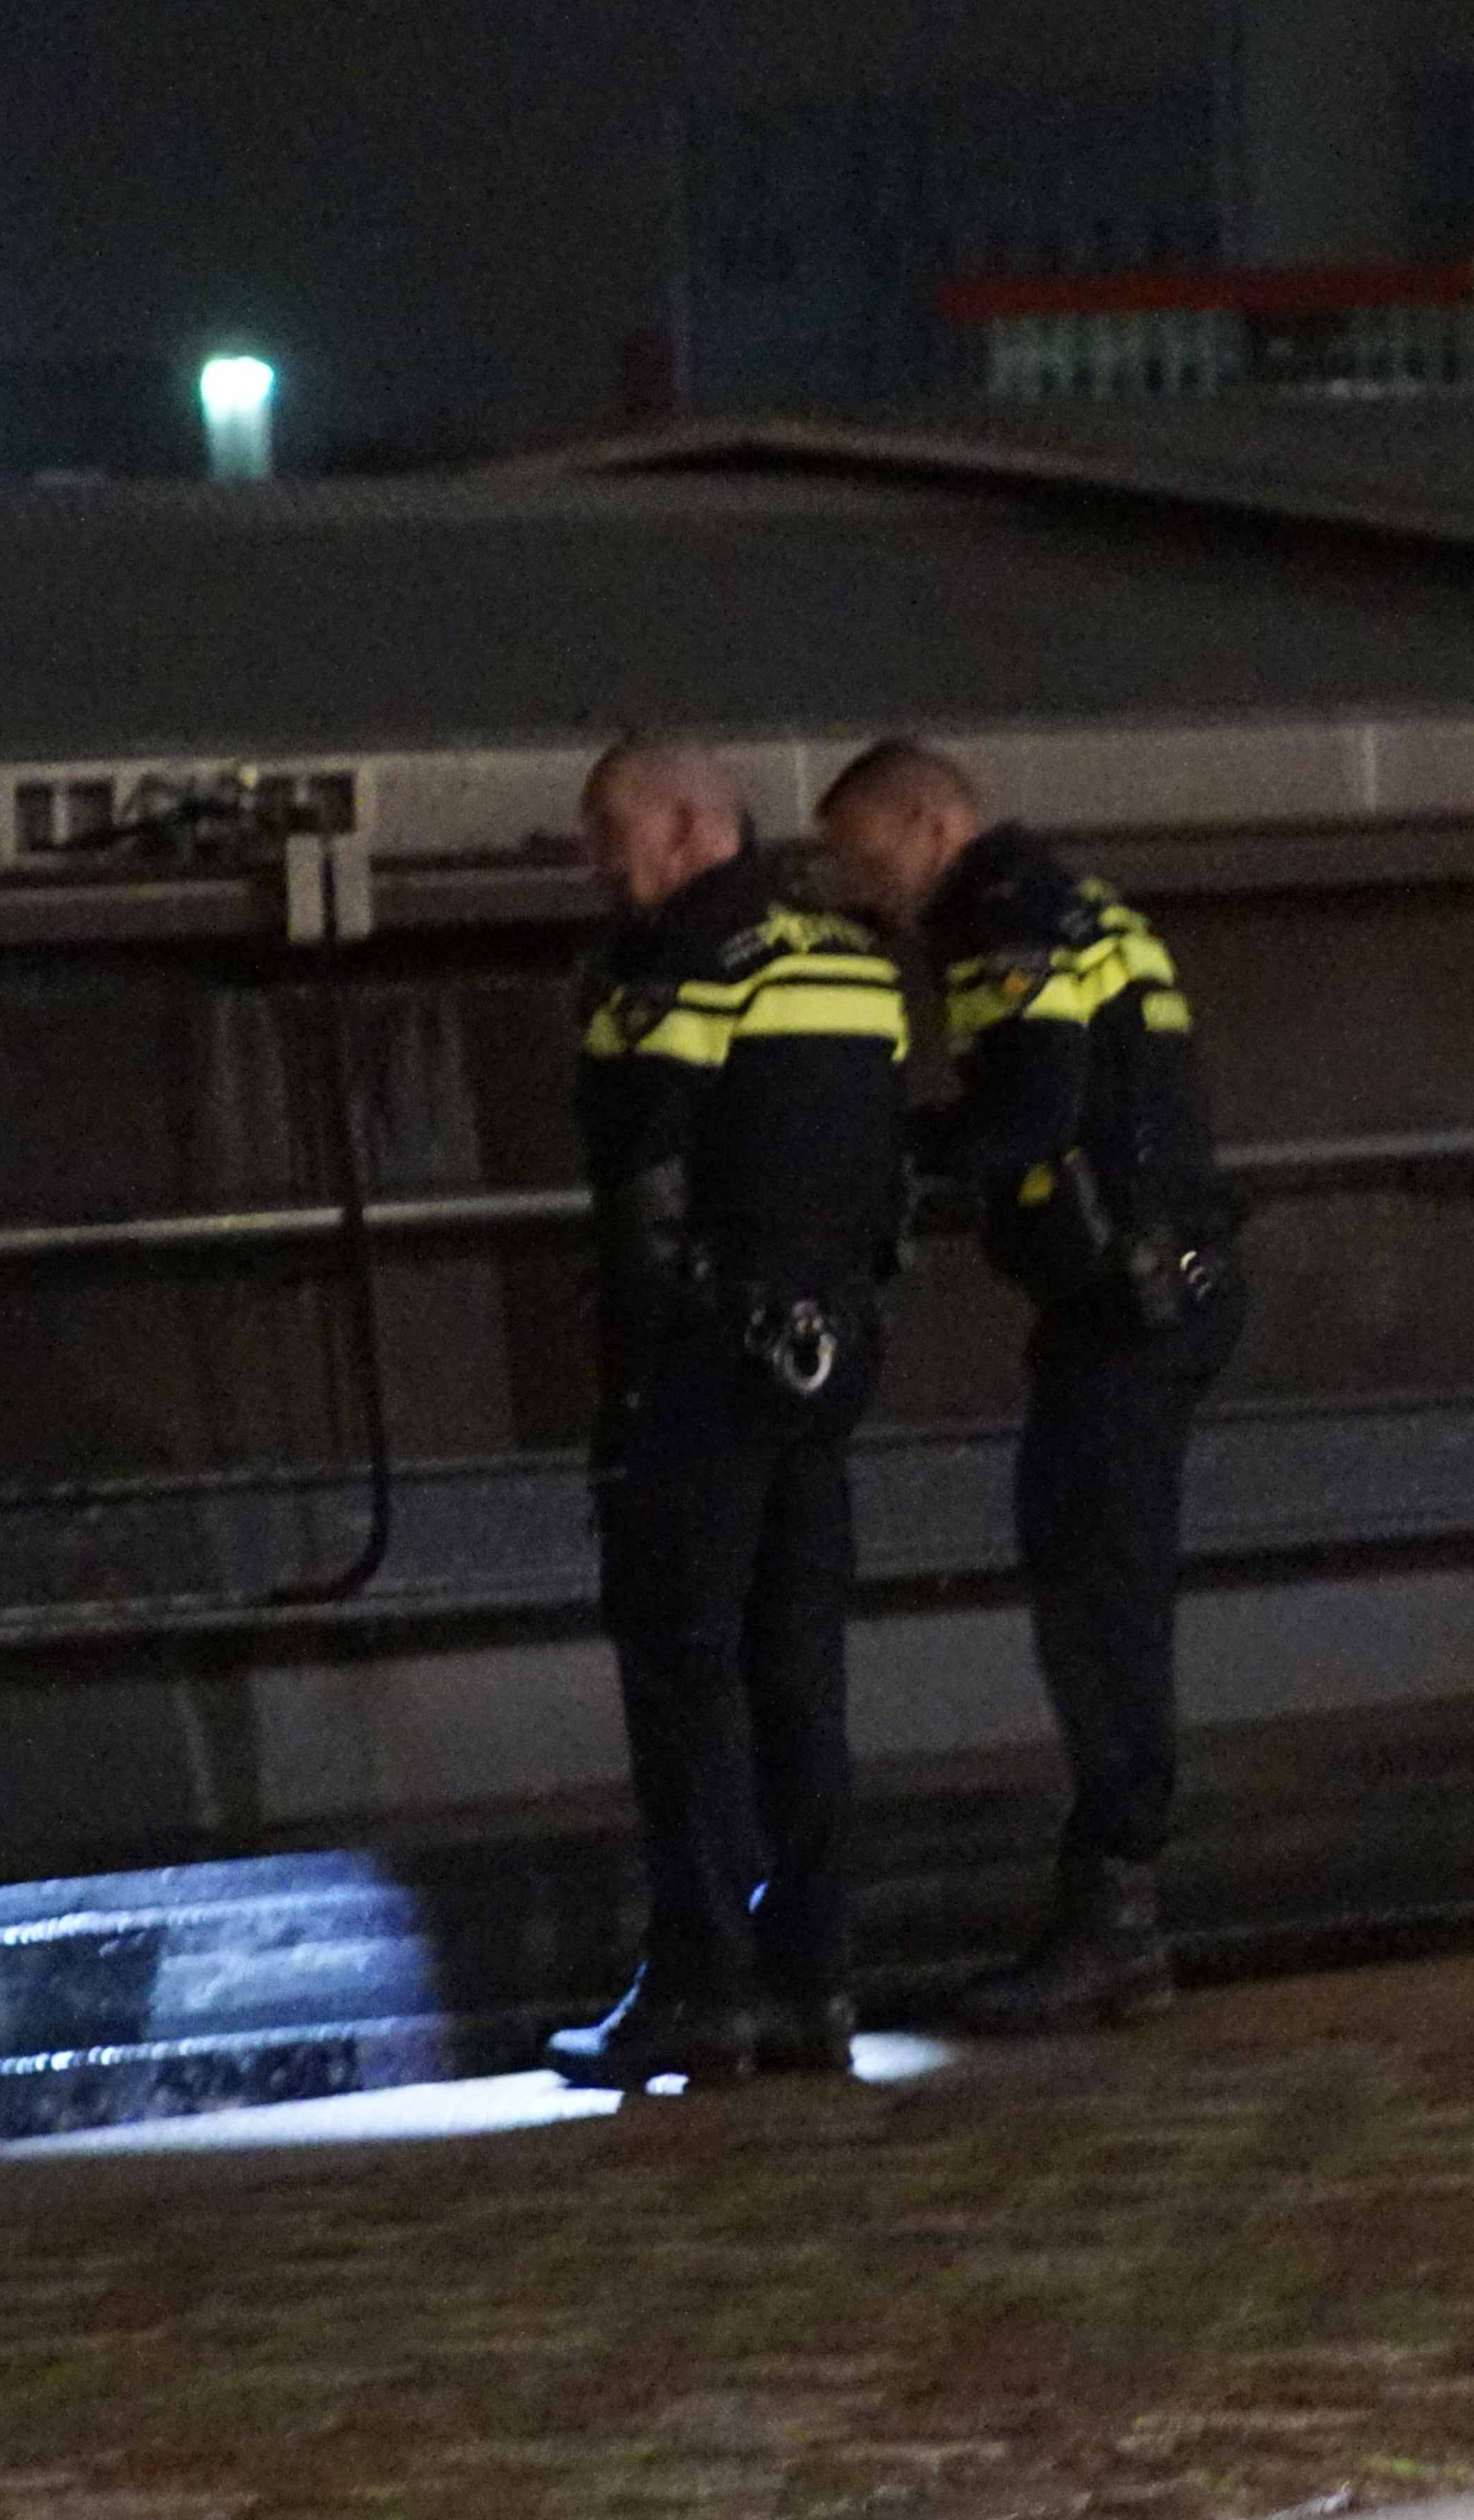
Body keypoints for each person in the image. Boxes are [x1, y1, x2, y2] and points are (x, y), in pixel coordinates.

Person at [817, 737, 1245, 2034]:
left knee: (1096, 1602)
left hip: (1125, 1308)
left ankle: (1115, 1917)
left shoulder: (1002, 921)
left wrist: (855, 1150)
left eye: (862, 851)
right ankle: (1112, 1907)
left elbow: (1026, 1116)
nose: (856, 886)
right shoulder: (1076, 903)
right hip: (1152, 1291)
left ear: (930, 821)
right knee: (1098, 1589)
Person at [545, 737, 911, 2090]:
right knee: (801, 1673)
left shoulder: (669, 969)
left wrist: (634, 1387)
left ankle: (703, 1984)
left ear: (693, 826)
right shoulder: (857, 967)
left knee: (687, 1676)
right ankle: (815, 1978)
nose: (599, 866)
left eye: (610, 834)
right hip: (826, 1361)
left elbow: (639, 1188)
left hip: (700, 1375)